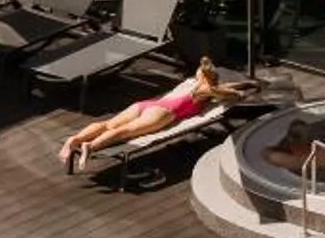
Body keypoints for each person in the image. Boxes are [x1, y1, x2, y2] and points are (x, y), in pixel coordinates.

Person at [60, 58, 247, 173]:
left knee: (109, 124)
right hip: (163, 114)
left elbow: (224, 87)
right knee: (124, 132)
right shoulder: (206, 89)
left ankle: (74, 139)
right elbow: (232, 94)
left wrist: (242, 84)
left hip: (148, 104)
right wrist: (243, 90)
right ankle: (90, 146)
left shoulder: (193, 84)